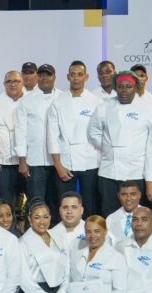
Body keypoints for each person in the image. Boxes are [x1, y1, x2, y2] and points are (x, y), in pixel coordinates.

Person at [88, 71, 152, 215]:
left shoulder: (149, 110)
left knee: (139, 215)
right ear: (115, 88)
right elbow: (93, 132)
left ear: (136, 87)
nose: (124, 90)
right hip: (109, 173)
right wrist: (108, 148)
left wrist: (150, 178)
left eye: (128, 86)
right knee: (109, 214)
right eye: (120, 86)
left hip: (137, 172)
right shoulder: (103, 107)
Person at [47, 61, 102, 216]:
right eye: (73, 75)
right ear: (68, 77)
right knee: (65, 206)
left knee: (90, 205)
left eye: (80, 74)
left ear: (87, 77)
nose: (76, 78)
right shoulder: (58, 102)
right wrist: (58, 165)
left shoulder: (96, 102)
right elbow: (52, 137)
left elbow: (101, 134)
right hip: (66, 163)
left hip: (91, 161)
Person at [15, 63, 61, 205]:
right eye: (41, 75)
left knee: (57, 202)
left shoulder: (63, 98)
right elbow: (20, 132)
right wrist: (22, 161)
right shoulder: (26, 101)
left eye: (48, 75)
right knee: (36, 202)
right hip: (35, 161)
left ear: (54, 77)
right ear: (37, 77)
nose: (44, 78)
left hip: (61, 161)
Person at [0, 71, 23, 206]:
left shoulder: (30, 101)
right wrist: (1, 144)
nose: (12, 84)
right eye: (9, 82)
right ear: (4, 84)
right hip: (4, 161)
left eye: (16, 81)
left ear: (22, 82)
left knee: (30, 199)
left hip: (29, 161)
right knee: (6, 201)